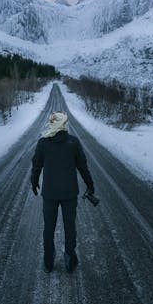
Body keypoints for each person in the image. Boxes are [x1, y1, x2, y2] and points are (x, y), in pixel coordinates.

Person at [30, 110, 95, 273]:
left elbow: (36, 165)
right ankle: (70, 260)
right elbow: (82, 166)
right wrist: (90, 184)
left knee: (49, 228)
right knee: (70, 227)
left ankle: (48, 261)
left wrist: (34, 181)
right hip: (69, 194)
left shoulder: (43, 143)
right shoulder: (73, 142)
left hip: (50, 194)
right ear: (63, 125)